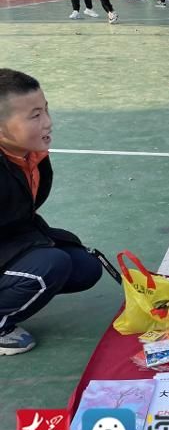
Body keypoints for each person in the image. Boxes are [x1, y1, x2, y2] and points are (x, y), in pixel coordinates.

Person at [0, 69, 103, 355]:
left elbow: (19, 216)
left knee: (84, 267)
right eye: (34, 116)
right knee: (47, 267)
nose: (48, 122)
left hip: (9, 238)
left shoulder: (31, 156)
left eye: (45, 110)